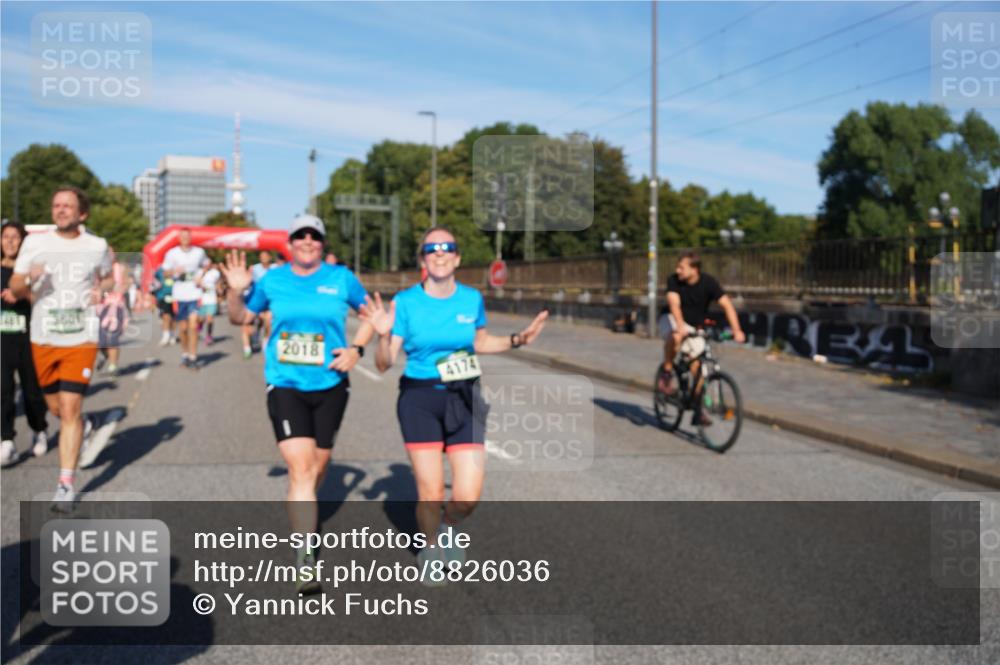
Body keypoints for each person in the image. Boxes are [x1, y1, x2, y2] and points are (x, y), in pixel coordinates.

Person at [360, 226, 548, 578]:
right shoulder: (406, 302)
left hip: (466, 396)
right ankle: (431, 549)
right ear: (423, 259)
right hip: (420, 398)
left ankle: (448, 526)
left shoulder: (471, 299)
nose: (440, 253)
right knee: (430, 489)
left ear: (457, 258)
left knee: (467, 495)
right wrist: (384, 336)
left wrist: (518, 339)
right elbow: (384, 364)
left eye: (447, 248)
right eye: (432, 248)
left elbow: (481, 342)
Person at [220, 214, 373, 594]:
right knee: (301, 468)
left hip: (332, 384)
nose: (307, 241)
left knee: (318, 467)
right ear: (288, 243)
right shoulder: (272, 280)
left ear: (322, 243)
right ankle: (306, 556)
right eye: (300, 236)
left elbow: (373, 316)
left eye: (314, 236)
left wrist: (357, 348)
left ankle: (304, 502)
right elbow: (240, 317)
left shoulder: (341, 279)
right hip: (285, 383)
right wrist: (236, 292)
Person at [8, 186, 114, 510]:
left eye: (68, 205)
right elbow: (14, 284)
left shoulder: (96, 246)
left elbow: (108, 278)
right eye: (57, 205)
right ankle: (84, 425)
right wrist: (28, 280)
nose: (61, 210)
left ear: (82, 213)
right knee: (55, 408)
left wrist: (101, 290)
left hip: (81, 338)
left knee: (70, 409)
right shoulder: (36, 243)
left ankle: (65, 484)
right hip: (44, 338)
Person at [657, 251, 745, 420]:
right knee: (676, 336)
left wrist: (737, 330)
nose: (678, 270)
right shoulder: (673, 280)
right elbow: (674, 304)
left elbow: (727, 305)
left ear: (694, 269)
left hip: (694, 326)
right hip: (671, 319)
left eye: (682, 267)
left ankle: (698, 409)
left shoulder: (708, 283)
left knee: (698, 368)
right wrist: (681, 326)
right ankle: (667, 373)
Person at [1, 221, 49, 466]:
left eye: (15, 237)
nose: (10, 241)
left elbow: (44, 303)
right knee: (4, 391)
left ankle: (39, 429)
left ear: (23, 242)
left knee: (32, 393)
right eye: (5, 237)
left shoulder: (31, 272)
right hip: (3, 343)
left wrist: (21, 293)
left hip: (29, 341)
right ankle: (6, 440)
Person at [162, 228, 207, 369]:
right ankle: (185, 354)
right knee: (183, 328)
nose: (185, 238)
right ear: (179, 238)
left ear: (191, 237)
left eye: (188, 236)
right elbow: (165, 273)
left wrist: (201, 276)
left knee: (193, 326)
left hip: (195, 292)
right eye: (183, 236)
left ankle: (193, 356)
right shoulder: (172, 253)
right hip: (179, 293)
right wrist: (174, 271)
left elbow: (207, 264)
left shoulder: (199, 252)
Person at [97, 257, 129, 378]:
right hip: (100, 307)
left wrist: (122, 288)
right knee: (100, 340)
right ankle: (105, 354)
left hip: (116, 306)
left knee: (112, 337)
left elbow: (127, 282)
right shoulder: (96, 267)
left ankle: (113, 366)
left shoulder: (120, 267)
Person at [241, 249, 275, 359]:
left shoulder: (276, 268)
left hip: (269, 301)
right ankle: (247, 348)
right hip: (255, 299)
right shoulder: (254, 268)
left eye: (265, 255)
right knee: (246, 322)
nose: (263, 258)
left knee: (268, 321)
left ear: (270, 257)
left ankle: (265, 341)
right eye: (261, 256)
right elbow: (248, 282)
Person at [196, 259, 222, 346]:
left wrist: (219, 290)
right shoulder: (199, 271)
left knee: (210, 318)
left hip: (212, 298)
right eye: (205, 264)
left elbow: (218, 282)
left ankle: (209, 336)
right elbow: (196, 283)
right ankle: (199, 328)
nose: (207, 265)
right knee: (201, 319)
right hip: (201, 298)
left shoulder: (215, 272)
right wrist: (203, 273)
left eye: (209, 263)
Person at [152, 266, 176, 346]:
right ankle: (166, 336)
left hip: (175, 297)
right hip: (162, 297)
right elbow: (154, 283)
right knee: (165, 317)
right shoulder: (159, 270)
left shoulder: (175, 267)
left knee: (172, 318)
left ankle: (172, 335)